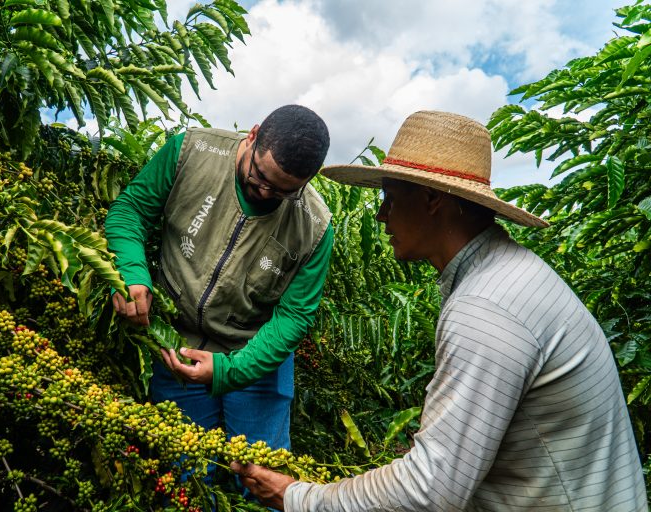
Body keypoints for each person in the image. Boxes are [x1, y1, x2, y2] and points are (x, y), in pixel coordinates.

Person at [230, 111, 648, 511]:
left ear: (432, 199)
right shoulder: (507, 274)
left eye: (391, 198)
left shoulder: (485, 310)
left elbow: (430, 491)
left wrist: (299, 498)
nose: (381, 215)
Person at [105, 105, 333, 453]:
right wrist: (132, 272)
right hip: (179, 345)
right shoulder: (192, 151)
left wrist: (232, 370)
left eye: (283, 191)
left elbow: (294, 316)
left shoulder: (314, 226)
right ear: (253, 136)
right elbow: (131, 211)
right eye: (261, 176)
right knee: (186, 466)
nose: (265, 193)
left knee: (260, 470)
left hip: (256, 356)